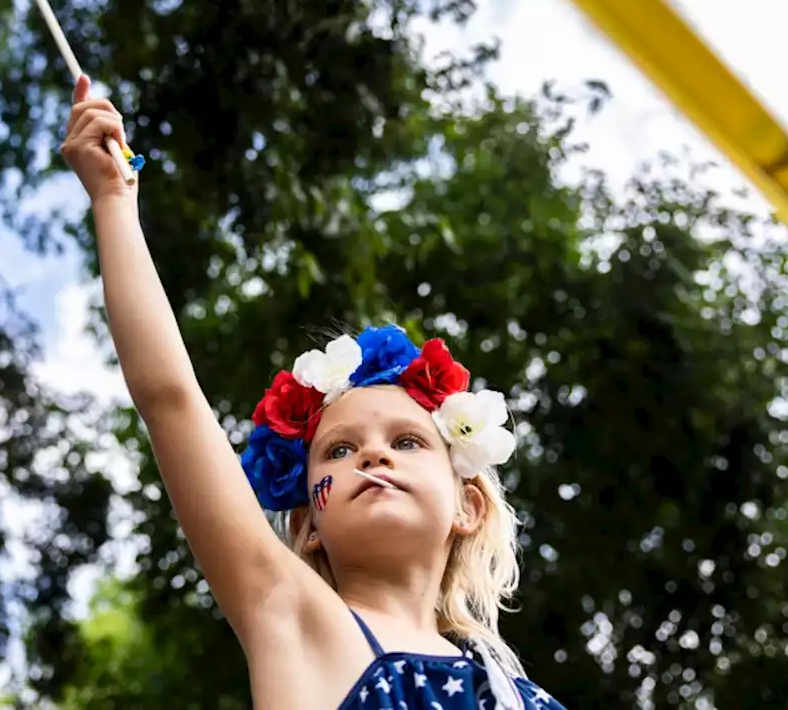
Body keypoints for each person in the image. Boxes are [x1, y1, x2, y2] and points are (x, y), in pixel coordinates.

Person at [61, 76, 567, 709]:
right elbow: (171, 399)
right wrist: (113, 196)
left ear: (468, 506)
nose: (373, 457)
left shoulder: (524, 695)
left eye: (407, 441)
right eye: (337, 452)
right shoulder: (294, 619)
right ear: (310, 526)